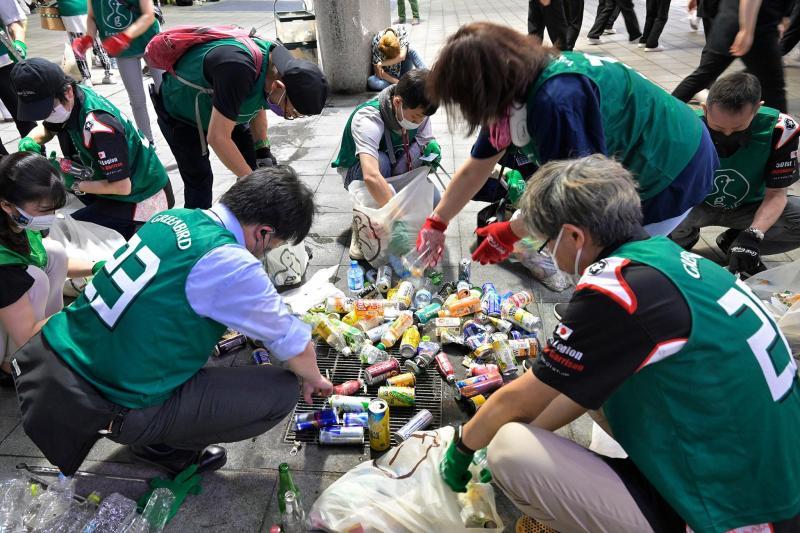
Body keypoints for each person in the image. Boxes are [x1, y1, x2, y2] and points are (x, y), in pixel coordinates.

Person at [438, 155, 800, 533]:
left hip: (740, 514)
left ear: (575, 237)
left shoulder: (619, 291)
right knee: (585, 373)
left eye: (545, 242)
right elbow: (574, 386)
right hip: (776, 474)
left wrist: (463, 450)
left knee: (509, 451)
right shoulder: (672, 259)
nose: (546, 252)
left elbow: (519, 400)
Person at [11, 166, 333, 476]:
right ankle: (164, 449)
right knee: (281, 392)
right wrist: (316, 380)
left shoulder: (173, 217)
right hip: (110, 403)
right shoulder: (229, 260)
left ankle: (152, 428)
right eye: (273, 246)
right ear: (264, 233)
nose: (265, 252)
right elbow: (295, 344)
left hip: (61, 366)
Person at [415, 23, 717, 267]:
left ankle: (602, 328)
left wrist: (510, 232)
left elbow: (578, 198)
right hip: (649, 149)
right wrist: (437, 222)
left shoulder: (557, 100)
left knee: (616, 260)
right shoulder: (513, 88)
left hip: (672, 165)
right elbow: (477, 168)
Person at [151, 38, 328, 209]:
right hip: (181, 111)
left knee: (254, 163)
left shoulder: (279, 66)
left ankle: (247, 222)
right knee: (200, 181)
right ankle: (195, 233)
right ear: (279, 86)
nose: (289, 115)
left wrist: (262, 148)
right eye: (292, 112)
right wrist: (253, 183)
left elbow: (258, 100)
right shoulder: (238, 69)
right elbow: (218, 137)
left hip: (224, 104)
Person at [12, 58, 173, 240]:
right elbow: (49, 127)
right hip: (111, 182)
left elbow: (122, 186)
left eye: (47, 109)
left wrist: (71, 183)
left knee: (70, 229)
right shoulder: (73, 100)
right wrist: (30, 140)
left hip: (144, 195)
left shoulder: (99, 126)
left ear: (68, 91)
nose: (46, 116)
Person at [670, 73, 799, 276]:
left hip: (749, 206)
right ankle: (682, 239)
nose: (728, 134)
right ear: (704, 109)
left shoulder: (781, 129)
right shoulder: (685, 126)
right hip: (696, 204)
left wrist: (753, 235)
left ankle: (736, 242)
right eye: (718, 128)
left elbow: (777, 194)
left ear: (757, 109)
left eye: (738, 127)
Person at [0, 152, 96, 384]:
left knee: (55, 252)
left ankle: (50, 338)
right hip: (18, 330)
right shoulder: (3, 265)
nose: (51, 217)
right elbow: (25, 331)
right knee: (35, 278)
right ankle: (12, 363)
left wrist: (98, 267)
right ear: (6, 205)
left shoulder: (18, 221)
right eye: (44, 210)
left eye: (54, 209)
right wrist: (85, 313)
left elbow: (45, 258)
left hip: (13, 311)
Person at [332, 69, 440, 260]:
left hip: (396, 161)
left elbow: (424, 140)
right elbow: (371, 175)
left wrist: (432, 148)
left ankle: (391, 209)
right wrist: (398, 220)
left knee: (435, 198)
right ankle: (363, 225)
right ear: (397, 102)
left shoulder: (419, 110)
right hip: (361, 171)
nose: (418, 122)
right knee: (380, 162)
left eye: (422, 118)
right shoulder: (368, 118)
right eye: (415, 118)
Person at [672, 0, 788, 112]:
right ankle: (783, 129)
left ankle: (665, 111)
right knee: (774, 87)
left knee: (704, 75)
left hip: (730, 21)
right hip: (755, 27)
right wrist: (746, 30)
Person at [72, 0, 161, 144]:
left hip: (150, 42)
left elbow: (148, 15)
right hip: (123, 50)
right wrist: (89, 37)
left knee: (165, 91)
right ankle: (147, 141)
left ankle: (179, 132)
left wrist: (124, 37)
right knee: (137, 99)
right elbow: (92, 16)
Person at [0, 0, 33, 155]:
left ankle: (36, 158)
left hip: (4, 64)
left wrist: (20, 43)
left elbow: (14, 21)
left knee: (24, 116)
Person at [57, 0, 115, 87]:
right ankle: (109, 74)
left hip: (70, 9)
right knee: (96, 41)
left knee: (77, 43)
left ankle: (86, 78)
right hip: (87, 6)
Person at [368, 25, 426, 91]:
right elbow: (379, 73)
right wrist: (397, 82)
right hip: (389, 78)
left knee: (411, 50)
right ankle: (402, 86)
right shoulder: (377, 42)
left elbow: (402, 57)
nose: (394, 57)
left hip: (403, 69)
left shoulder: (400, 30)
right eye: (390, 57)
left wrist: (382, 63)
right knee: (371, 81)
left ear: (397, 40)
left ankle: (428, 77)